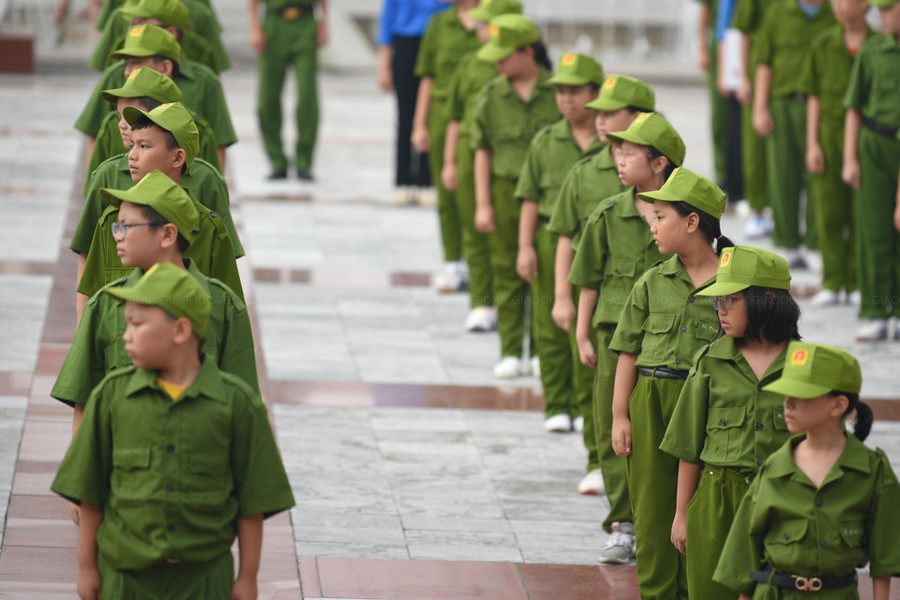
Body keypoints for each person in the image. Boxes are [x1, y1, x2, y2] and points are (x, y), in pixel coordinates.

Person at [51, 261, 294, 600]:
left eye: (137, 325)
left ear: (180, 331)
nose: (126, 336)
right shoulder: (110, 397)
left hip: (204, 581)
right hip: (125, 579)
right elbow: (91, 492)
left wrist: (248, 577)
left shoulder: (236, 406)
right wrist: (87, 567)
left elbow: (251, 501)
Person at [53, 169, 258, 525]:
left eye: (126, 227)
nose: (116, 236)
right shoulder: (106, 305)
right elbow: (84, 395)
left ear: (167, 234)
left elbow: (244, 406)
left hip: (198, 488)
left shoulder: (221, 306)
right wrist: (79, 480)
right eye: (116, 226)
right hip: (124, 482)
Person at [610, 167, 732, 599]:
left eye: (661, 216)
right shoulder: (653, 281)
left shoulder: (733, 285)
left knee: (701, 514)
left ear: (692, 221)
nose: (652, 225)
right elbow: (628, 350)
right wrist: (620, 415)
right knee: (652, 513)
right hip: (651, 402)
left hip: (706, 406)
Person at [570, 112, 682, 562]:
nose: (618, 158)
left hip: (669, 345)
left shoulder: (684, 215)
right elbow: (588, 279)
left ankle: (667, 519)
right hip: (613, 341)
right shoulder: (608, 213)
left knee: (664, 433)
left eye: (629, 152)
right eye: (617, 150)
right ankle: (623, 524)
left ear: (659, 164)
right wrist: (581, 333)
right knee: (613, 432)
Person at [660, 246, 800, 599]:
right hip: (716, 500)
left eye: (731, 300)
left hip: (783, 502)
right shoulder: (710, 362)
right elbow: (687, 446)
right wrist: (682, 513)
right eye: (718, 301)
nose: (720, 310)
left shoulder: (804, 368)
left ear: (767, 301)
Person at [713, 341, 900, 599]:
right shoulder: (774, 469)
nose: (787, 403)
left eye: (801, 395)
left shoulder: (872, 472)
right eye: (786, 394)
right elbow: (746, 554)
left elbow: (884, 557)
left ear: (838, 405)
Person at [552, 74, 656, 496]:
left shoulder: (680, 198)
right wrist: (565, 301)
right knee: (604, 400)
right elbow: (570, 243)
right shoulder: (592, 179)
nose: (601, 122)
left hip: (661, 331)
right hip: (608, 317)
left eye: (611, 114)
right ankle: (603, 473)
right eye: (599, 114)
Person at [76, 102, 243, 317]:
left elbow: (230, 314)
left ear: (177, 158)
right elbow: (91, 303)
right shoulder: (113, 222)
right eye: (132, 145)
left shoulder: (210, 231)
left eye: (144, 146)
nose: (132, 156)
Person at [515, 52, 605, 432]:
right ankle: (557, 404)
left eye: (576, 90)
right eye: (561, 92)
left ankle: (586, 405)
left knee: (589, 326)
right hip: (553, 239)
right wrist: (525, 246)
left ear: (596, 93)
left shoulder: (613, 146)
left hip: (598, 244)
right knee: (550, 322)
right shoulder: (546, 141)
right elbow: (531, 197)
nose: (566, 99)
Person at [471, 13, 560, 379]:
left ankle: (542, 349)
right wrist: (482, 203)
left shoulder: (558, 94)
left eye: (505, 55)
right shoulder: (492, 95)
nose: (497, 62)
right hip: (505, 192)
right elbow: (482, 151)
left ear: (528, 52)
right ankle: (510, 349)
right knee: (506, 269)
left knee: (545, 272)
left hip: (549, 198)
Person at [442, 0, 522, 332]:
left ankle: (515, 306)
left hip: (507, 157)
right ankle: (481, 302)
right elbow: (455, 118)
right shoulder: (470, 64)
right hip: (468, 153)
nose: (478, 28)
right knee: (474, 231)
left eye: (486, 24)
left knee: (510, 237)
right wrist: (448, 161)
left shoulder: (519, 67)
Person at [75, 24, 237, 174]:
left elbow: (211, 180)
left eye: (136, 62)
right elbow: (95, 190)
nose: (126, 72)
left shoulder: (196, 128)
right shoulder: (111, 133)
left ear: (165, 67)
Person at [753, 0, 835, 269]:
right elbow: (764, 63)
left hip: (821, 105)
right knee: (782, 174)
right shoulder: (778, 13)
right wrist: (760, 107)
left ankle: (814, 243)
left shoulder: (834, 14)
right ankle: (786, 241)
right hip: (782, 104)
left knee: (817, 173)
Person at [800, 0, 871, 307]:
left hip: (865, 141)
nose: (838, 6)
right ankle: (832, 279)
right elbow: (814, 96)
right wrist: (812, 143)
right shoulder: (824, 43)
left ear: (865, 4)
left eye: (846, 0)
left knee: (861, 213)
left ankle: (857, 281)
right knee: (827, 211)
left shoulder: (879, 47)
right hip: (829, 139)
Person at [412, 0, 481, 293]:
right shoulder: (439, 24)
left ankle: (479, 265)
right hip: (443, 118)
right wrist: (420, 123)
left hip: (481, 118)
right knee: (447, 192)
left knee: (479, 194)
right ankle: (453, 263)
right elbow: (428, 76)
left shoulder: (493, 19)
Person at [843, 0, 900, 341]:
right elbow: (854, 106)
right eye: (878, 9)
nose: (881, 16)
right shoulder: (872, 51)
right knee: (874, 230)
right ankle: (877, 310)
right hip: (874, 146)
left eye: (889, 9)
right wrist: (850, 158)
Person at [84, 66, 220, 195]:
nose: (121, 125)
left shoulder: (205, 177)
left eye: (143, 146)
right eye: (119, 116)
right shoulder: (107, 173)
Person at [249, 0, 327, 181]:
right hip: (274, 23)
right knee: (267, 97)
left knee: (308, 95)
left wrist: (325, 22)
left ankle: (304, 161)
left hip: (306, 22)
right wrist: (255, 27)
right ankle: (277, 160)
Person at [377, 0, 445, 204]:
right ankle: (402, 181)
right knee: (406, 116)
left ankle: (427, 181)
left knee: (432, 115)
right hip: (406, 43)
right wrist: (384, 65)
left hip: (438, 42)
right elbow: (387, 21)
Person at [732, 0, 775, 239]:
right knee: (755, 150)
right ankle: (758, 210)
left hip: (789, 76)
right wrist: (743, 78)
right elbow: (744, 33)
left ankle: (784, 213)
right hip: (758, 74)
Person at [89, 0, 225, 75]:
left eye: (142, 24)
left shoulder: (200, 15)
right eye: (133, 25)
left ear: (172, 32)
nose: (135, 30)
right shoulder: (119, 17)